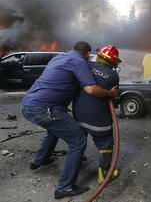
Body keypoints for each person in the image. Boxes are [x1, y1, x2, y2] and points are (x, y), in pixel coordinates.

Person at [21, 41, 118, 199]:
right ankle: (65, 187)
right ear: (87, 54)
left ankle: (40, 159)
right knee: (78, 140)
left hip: (28, 104)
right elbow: (91, 89)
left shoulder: (59, 58)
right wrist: (110, 93)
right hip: (45, 108)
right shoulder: (79, 61)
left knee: (54, 129)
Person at [72, 45, 120, 185]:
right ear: (113, 62)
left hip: (79, 114)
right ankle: (105, 174)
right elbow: (113, 95)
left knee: (79, 139)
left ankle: (78, 161)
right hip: (98, 119)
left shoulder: (85, 65)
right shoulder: (113, 75)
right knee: (106, 143)